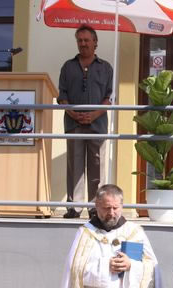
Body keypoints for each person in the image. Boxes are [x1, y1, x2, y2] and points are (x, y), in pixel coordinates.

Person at [58, 24, 113, 219]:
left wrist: (94, 115)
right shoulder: (68, 66)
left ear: (95, 42)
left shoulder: (105, 67)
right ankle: (74, 207)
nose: (83, 44)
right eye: (80, 40)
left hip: (97, 125)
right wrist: (73, 114)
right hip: (74, 124)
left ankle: (96, 209)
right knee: (75, 167)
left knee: (97, 168)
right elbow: (62, 96)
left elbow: (109, 98)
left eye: (86, 40)